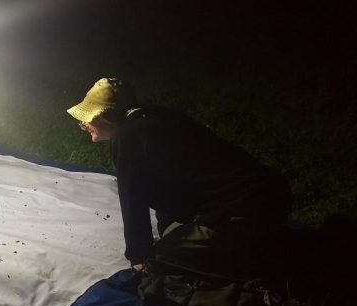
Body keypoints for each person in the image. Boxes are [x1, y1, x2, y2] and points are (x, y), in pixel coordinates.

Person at [67, 78, 292, 279]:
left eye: (88, 118)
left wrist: (139, 257)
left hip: (244, 211)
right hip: (273, 193)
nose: (84, 126)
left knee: (161, 259)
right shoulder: (156, 116)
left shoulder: (127, 137)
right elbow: (169, 182)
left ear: (106, 116)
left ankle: (258, 257)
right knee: (171, 233)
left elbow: (132, 200)